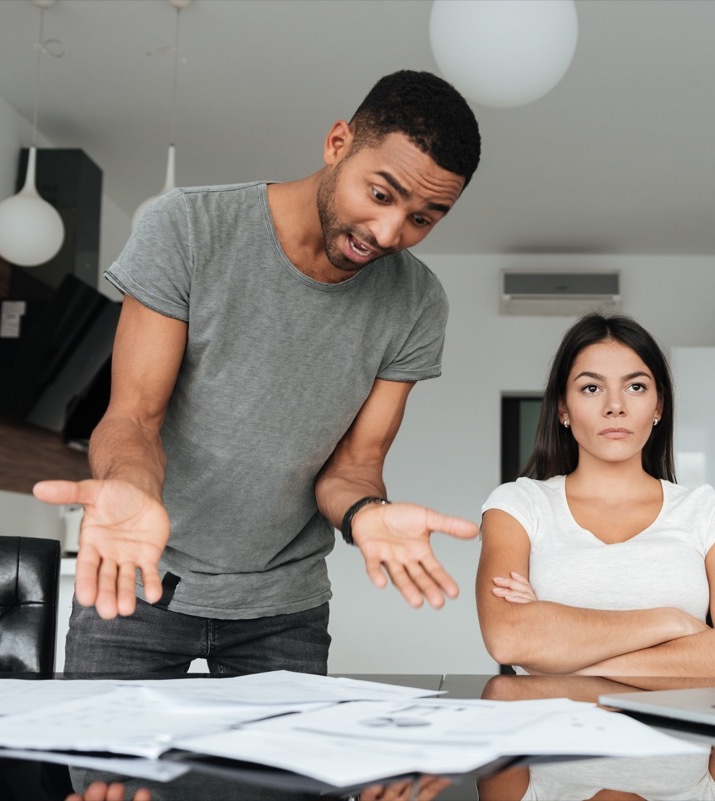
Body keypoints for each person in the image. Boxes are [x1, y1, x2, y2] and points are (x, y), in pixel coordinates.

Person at [33, 70, 482, 676]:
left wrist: (367, 513)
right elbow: (134, 418)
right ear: (337, 143)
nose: (389, 233)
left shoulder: (417, 304)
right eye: (381, 195)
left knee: (276, 776)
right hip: (137, 580)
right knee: (107, 774)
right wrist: (131, 490)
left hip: (282, 612)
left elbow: (351, 469)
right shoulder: (188, 229)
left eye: (423, 219)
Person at [476, 313, 715, 677]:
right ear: (563, 409)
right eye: (591, 388)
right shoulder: (518, 505)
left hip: (676, 734)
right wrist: (670, 622)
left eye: (636, 387)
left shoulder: (709, 513)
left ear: (658, 406)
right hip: (554, 731)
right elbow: (509, 638)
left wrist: (565, 652)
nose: (615, 406)